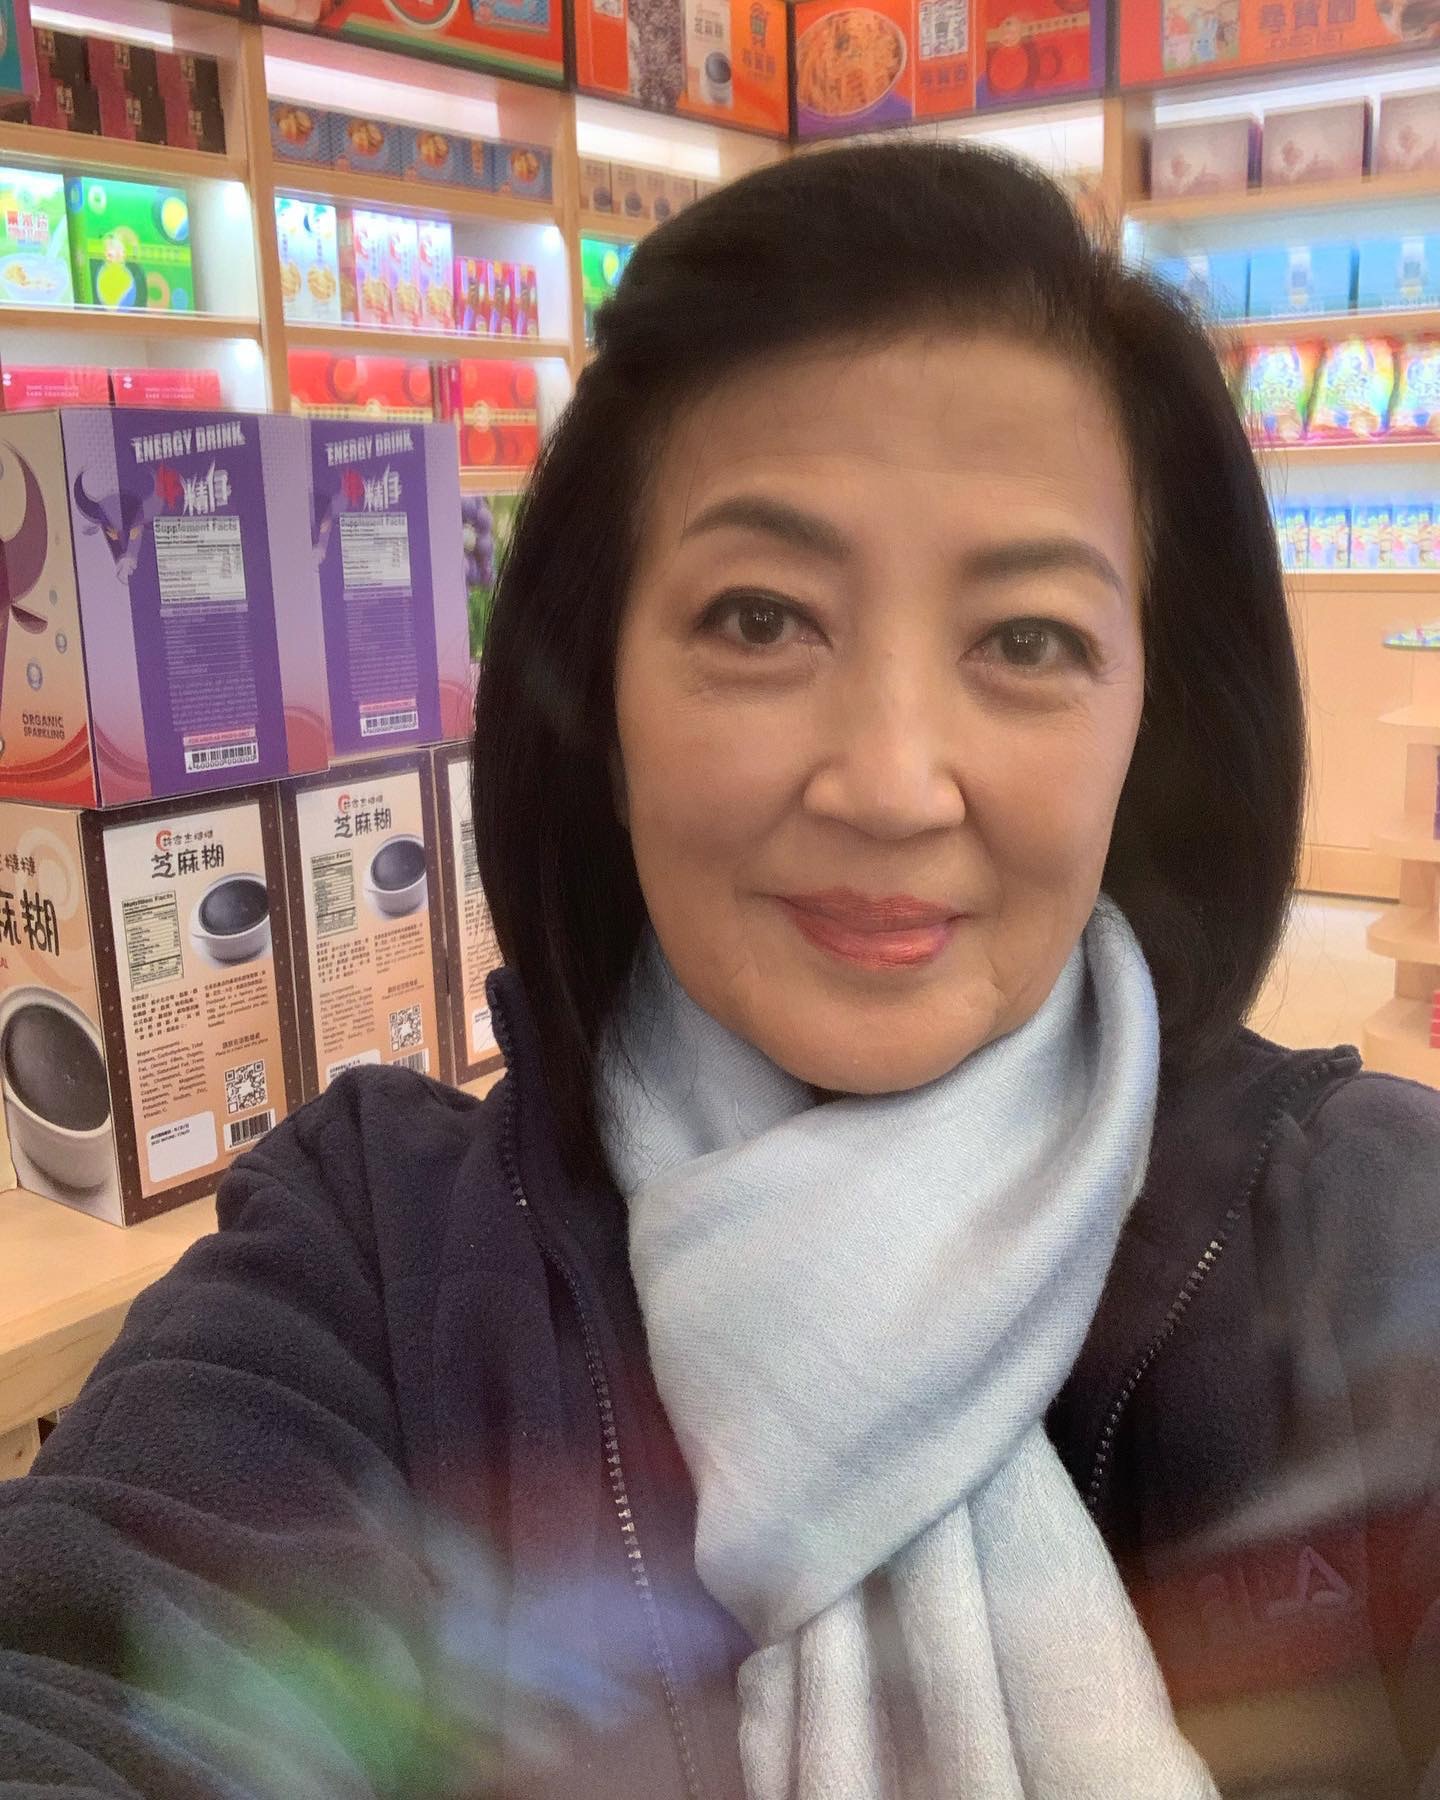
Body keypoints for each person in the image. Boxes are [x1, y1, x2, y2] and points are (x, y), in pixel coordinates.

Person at [1, 142, 1437, 1800]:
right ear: (599, 706)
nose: (890, 783)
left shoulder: (1357, 1236)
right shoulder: (377, 1265)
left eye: (1028, 641)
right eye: (761, 621)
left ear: (1151, 729)